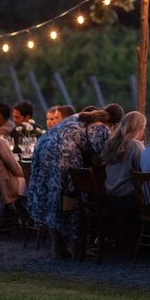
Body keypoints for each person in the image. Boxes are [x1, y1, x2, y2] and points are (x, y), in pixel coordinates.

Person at [26, 108, 111, 258]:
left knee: (53, 198)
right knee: (72, 197)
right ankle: (75, 246)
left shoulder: (77, 118)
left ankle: (57, 245)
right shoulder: (100, 126)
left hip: (43, 147)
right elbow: (101, 154)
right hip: (63, 153)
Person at [100, 110, 145, 210]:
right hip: (127, 198)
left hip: (110, 195)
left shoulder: (110, 142)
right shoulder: (135, 145)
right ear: (141, 128)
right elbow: (143, 170)